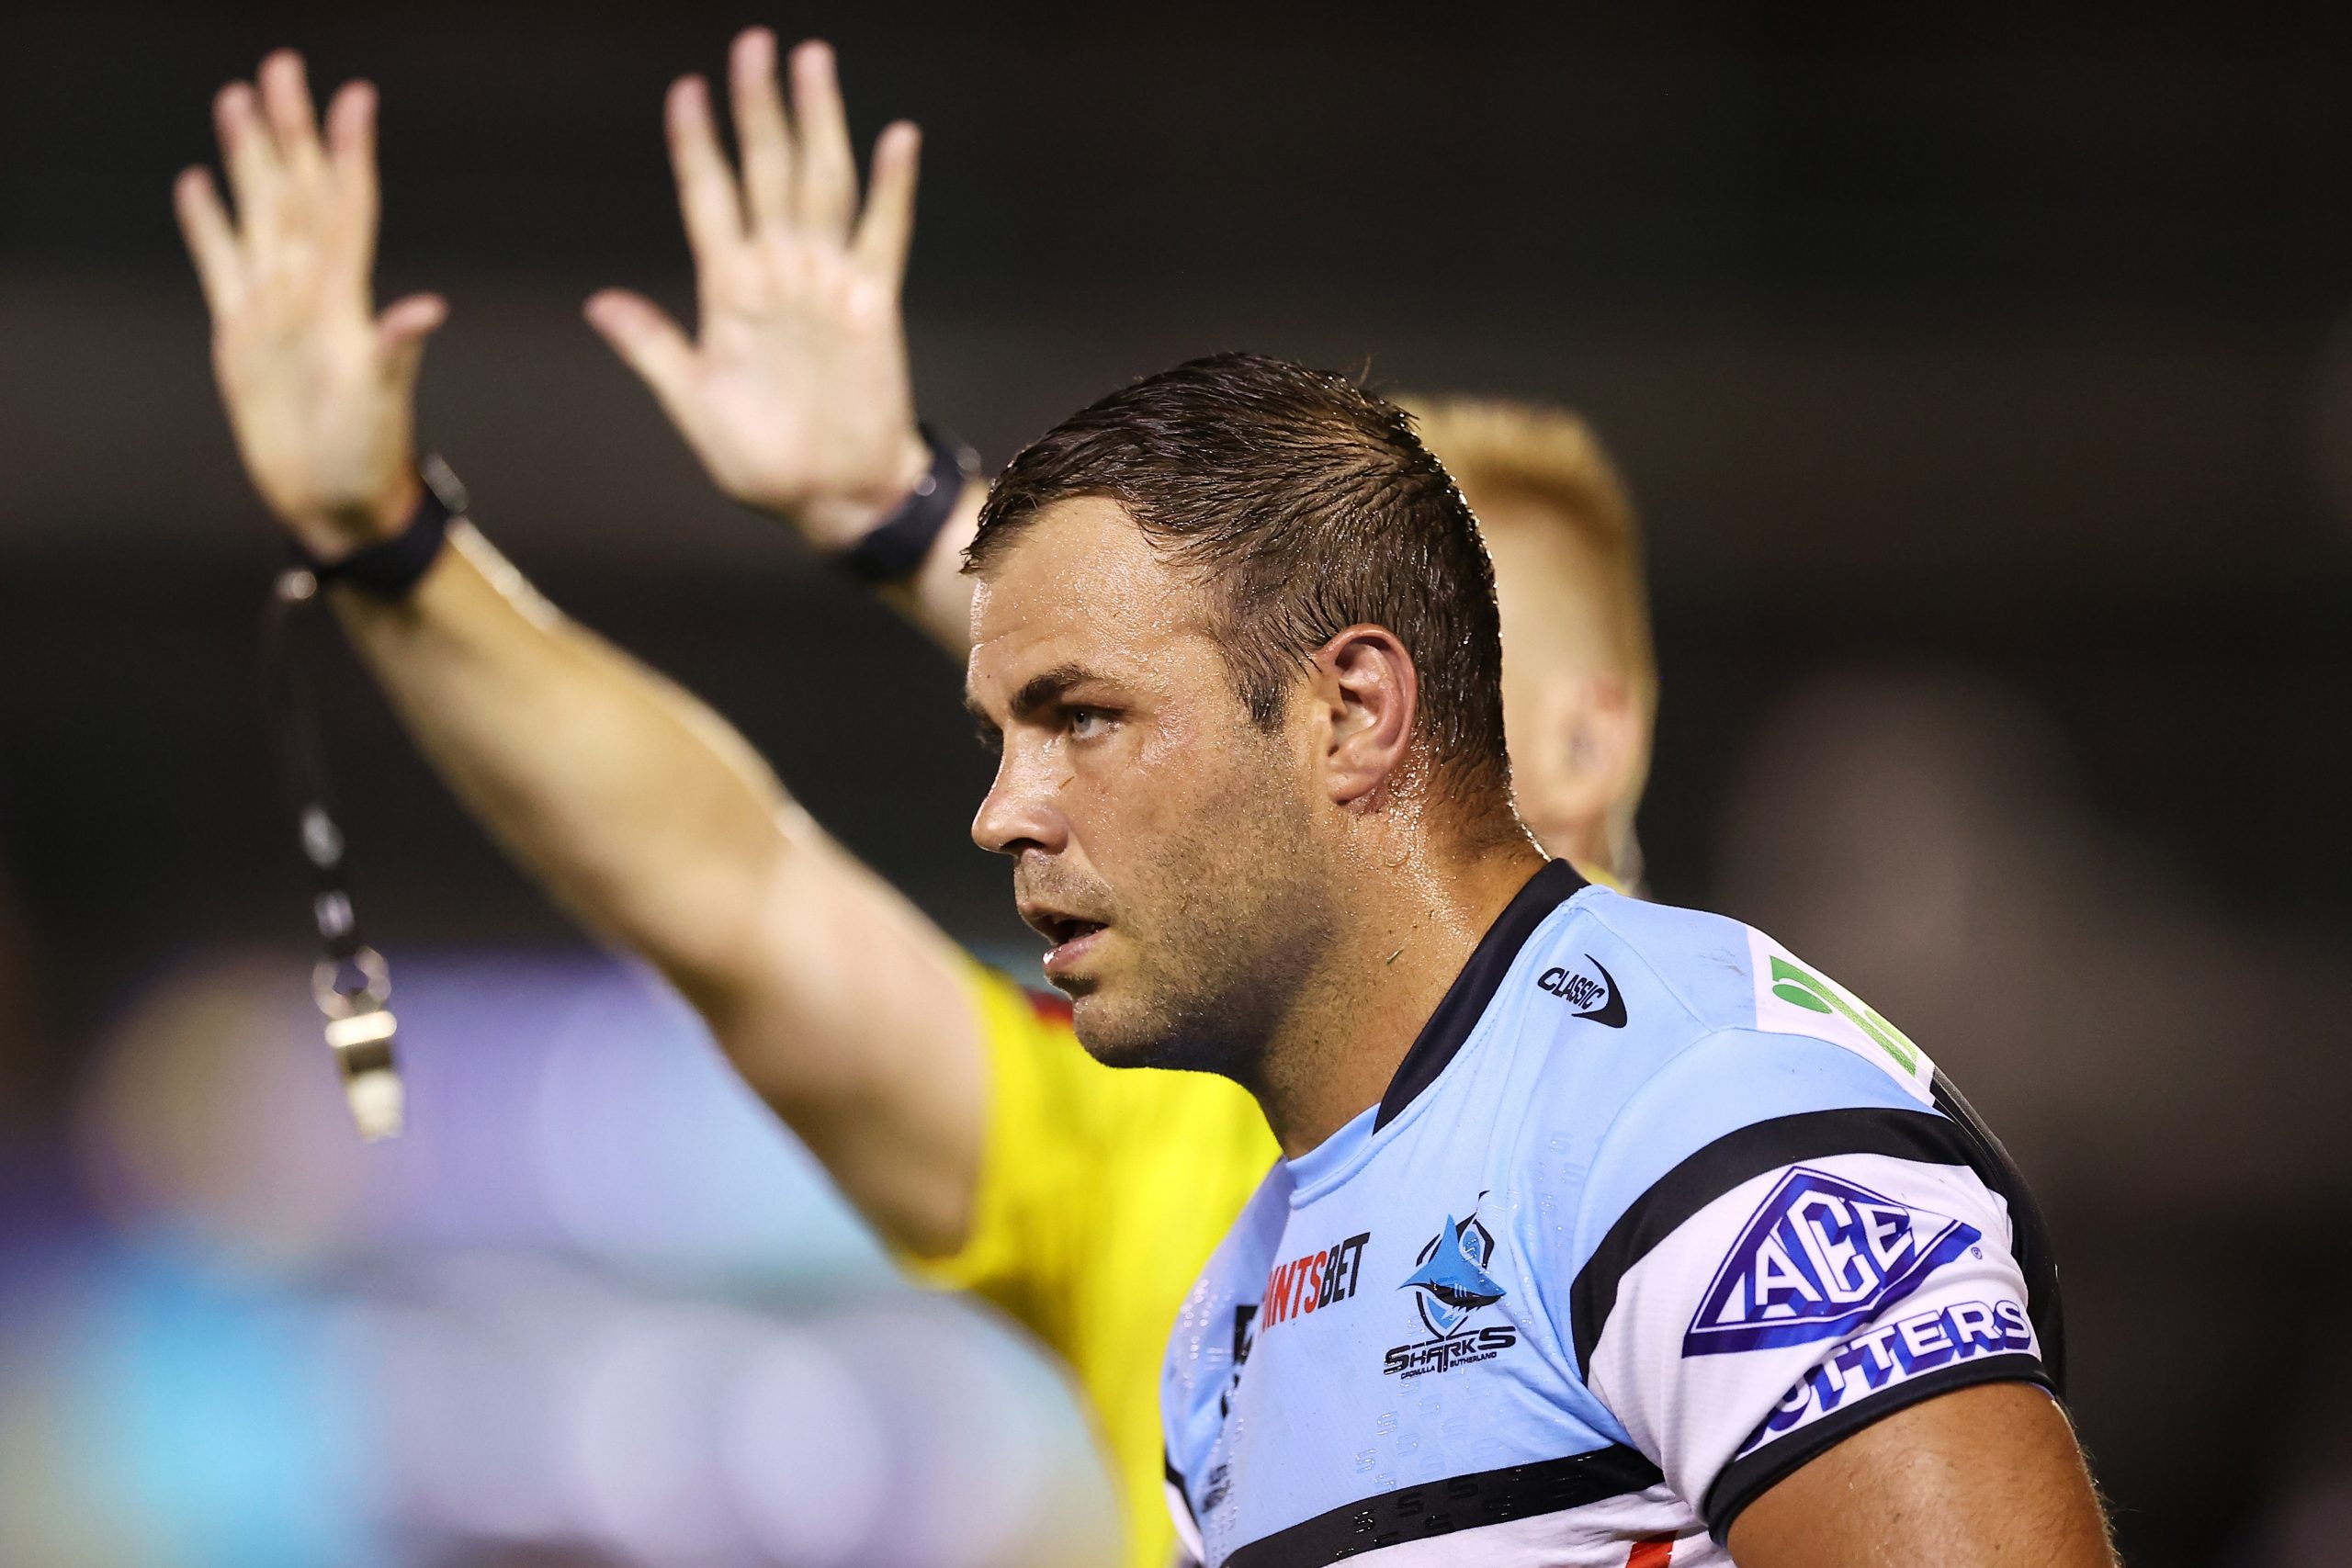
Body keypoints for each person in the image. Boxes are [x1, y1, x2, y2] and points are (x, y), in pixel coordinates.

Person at [173, 39, 1649, 1568]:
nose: (1350, 717)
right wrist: (394, 548)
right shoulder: (1165, 1151)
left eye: (1415, 663)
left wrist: (913, 523)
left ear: (1591, 741)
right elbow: (732, 894)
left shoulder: (1727, 1116)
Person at [959, 353, 2109, 1566]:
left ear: (1351, 712)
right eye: (1002, 738)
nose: (1004, 812)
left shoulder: (1699, 1119)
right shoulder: (1229, 1319)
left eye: (1081, 716)